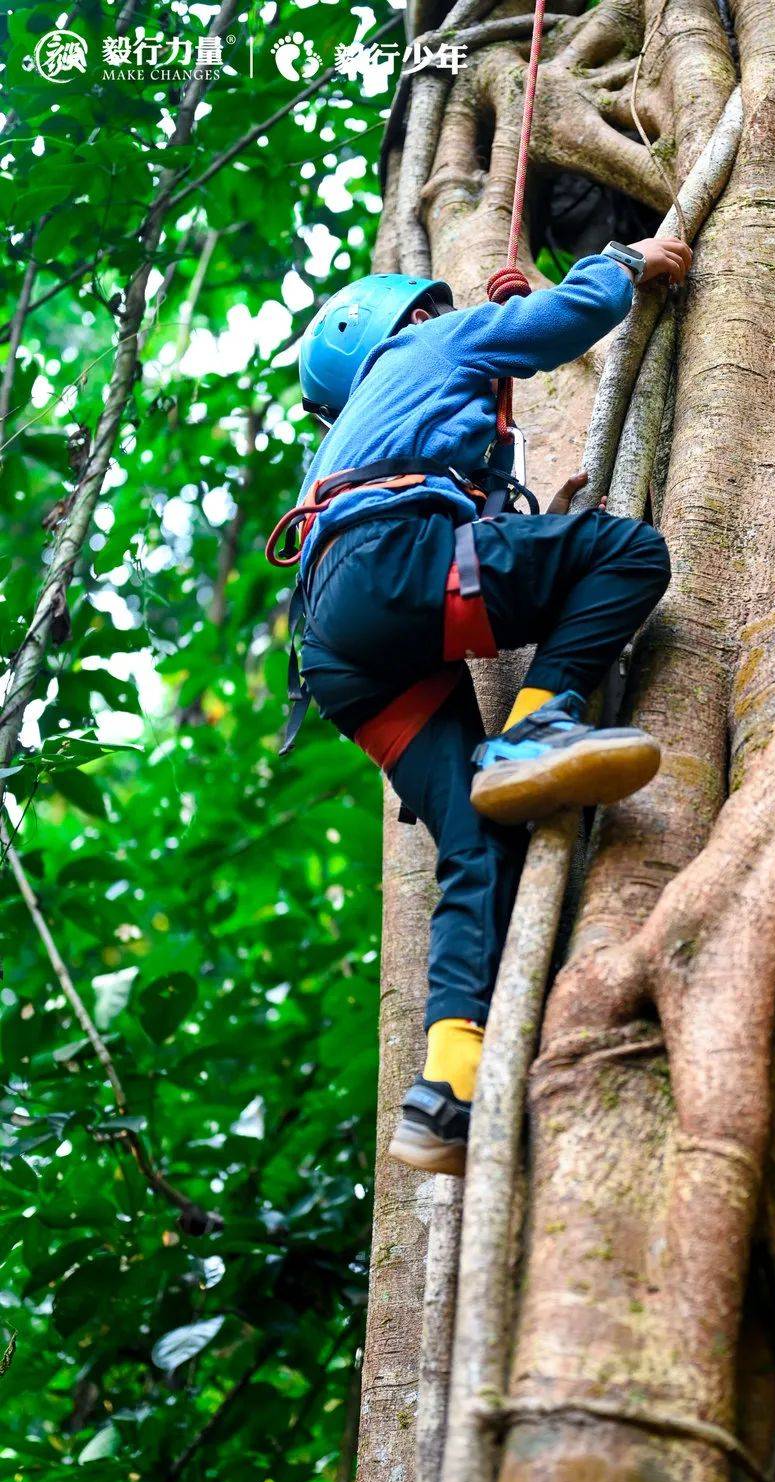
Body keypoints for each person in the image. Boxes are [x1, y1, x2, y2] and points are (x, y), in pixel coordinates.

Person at [289, 236, 691, 1176]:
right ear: (401, 326)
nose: (440, 315)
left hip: (337, 648)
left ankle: (444, 1089)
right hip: (392, 567)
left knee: (476, 843)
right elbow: (564, 322)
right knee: (623, 553)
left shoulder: (346, 441)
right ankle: (529, 733)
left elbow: (467, 520)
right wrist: (621, 263)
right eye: (428, 309)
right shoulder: (424, 351)